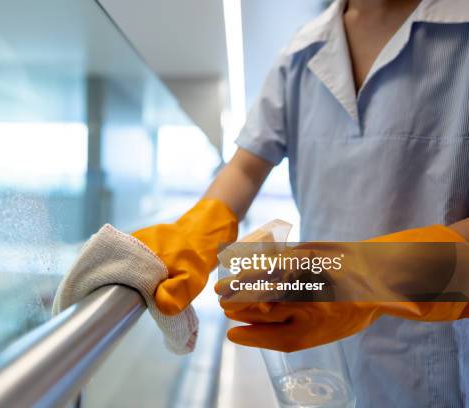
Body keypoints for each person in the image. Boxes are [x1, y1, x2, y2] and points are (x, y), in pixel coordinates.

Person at [131, 0, 469, 406]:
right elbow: (246, 168)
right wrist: (198, 229)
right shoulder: (300, 54)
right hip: (333, 363)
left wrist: (356, 279)